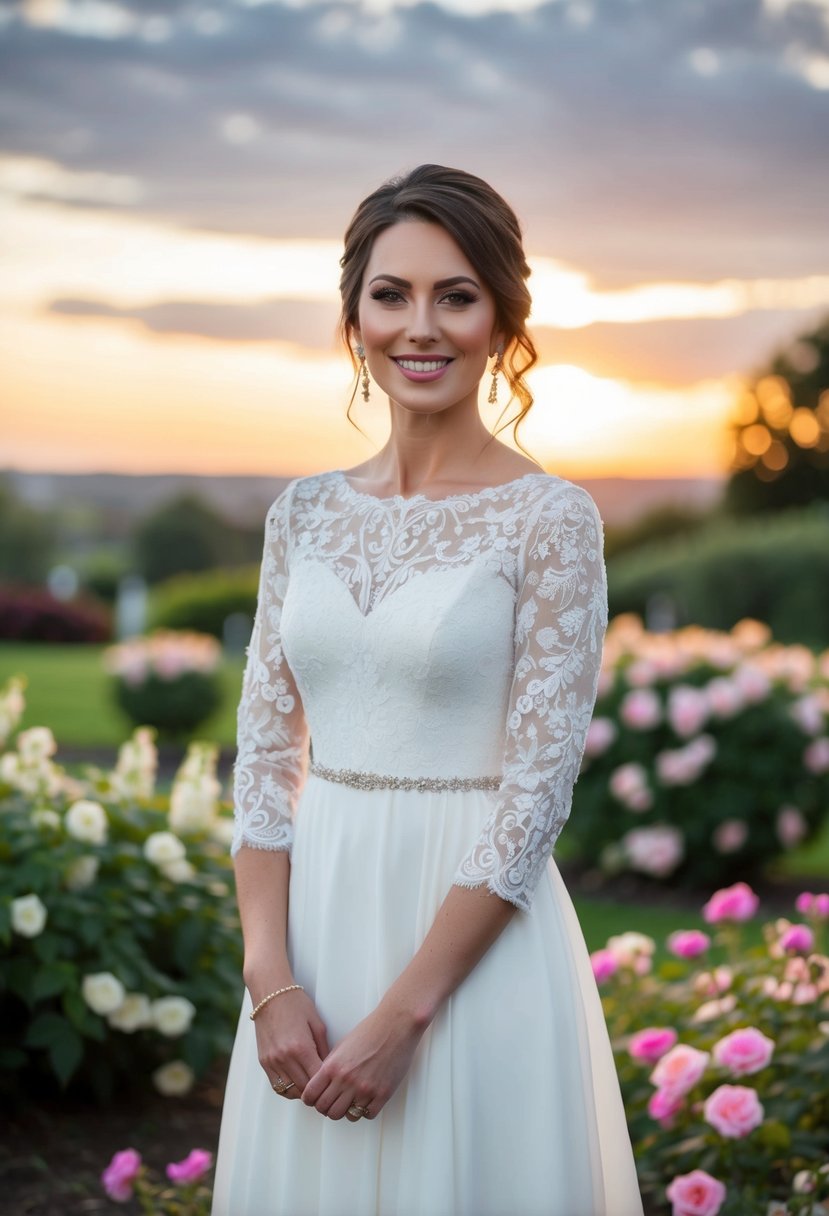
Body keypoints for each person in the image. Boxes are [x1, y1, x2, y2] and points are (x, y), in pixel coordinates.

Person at [211, 164, 643, 1216]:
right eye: (390, 293)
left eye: (456, 295)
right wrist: (270, 983)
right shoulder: (301, 516)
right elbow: (264, 768)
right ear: (353, 316)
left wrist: (403, 1017)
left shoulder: (550, 520)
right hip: (310, 944)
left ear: (500, 320)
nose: (422, 326)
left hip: (470, 950)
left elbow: (535, 797)